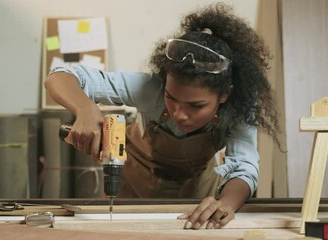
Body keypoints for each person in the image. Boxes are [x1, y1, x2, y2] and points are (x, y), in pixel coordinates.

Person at [45, 3, 280, 230]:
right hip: (134, 189)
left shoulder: (239, 110)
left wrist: (225, 204)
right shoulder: (149, 89)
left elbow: (244, 168)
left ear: (225, 96)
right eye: (171, 98)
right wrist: (86, 109)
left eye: (195, 106)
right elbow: (61, 75)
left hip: (196, 196)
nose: (179, 114)